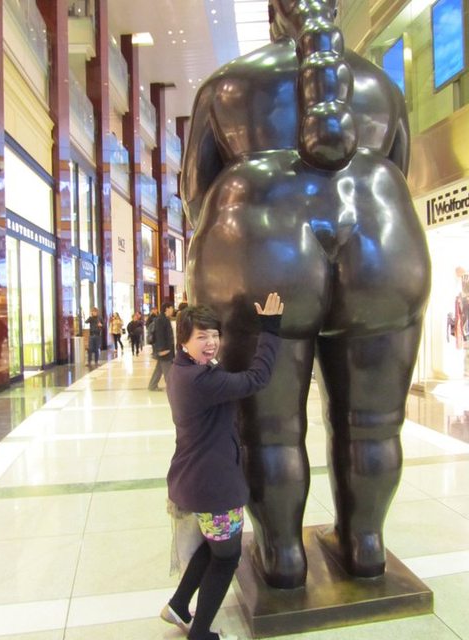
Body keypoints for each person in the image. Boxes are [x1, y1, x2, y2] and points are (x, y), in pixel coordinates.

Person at [180, 0, 431, 588]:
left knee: (268, 430)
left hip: (259, 243)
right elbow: (402, 167)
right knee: (374, 424)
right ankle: (365, 546)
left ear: (275, 11)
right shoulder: (381, 86)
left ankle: (283, 557)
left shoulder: (227, 85)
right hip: (382, 243)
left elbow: (195, 195)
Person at [161, 293, 284, 640]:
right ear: (183, 340)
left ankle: (178, 605)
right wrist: (270, 329)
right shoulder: (201, 381)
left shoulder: (181, 370)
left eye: (215, 334)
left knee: (214, 545)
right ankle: (200, 633)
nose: (211, 342)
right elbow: (256, 378)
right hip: (215, 487)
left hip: (194, 478)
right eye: (201, 336)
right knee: (227, 558)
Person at [148, 301, 175, 391]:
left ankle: (152, 385)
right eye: (171, 308)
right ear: (167, 309)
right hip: (164, 349)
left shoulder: (164, 318)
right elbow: (160, 335)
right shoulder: (161, 319)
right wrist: (162, 349)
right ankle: (172, 388)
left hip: (165, 349)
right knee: (167, 369)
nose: (173, 310)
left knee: (159, 369)